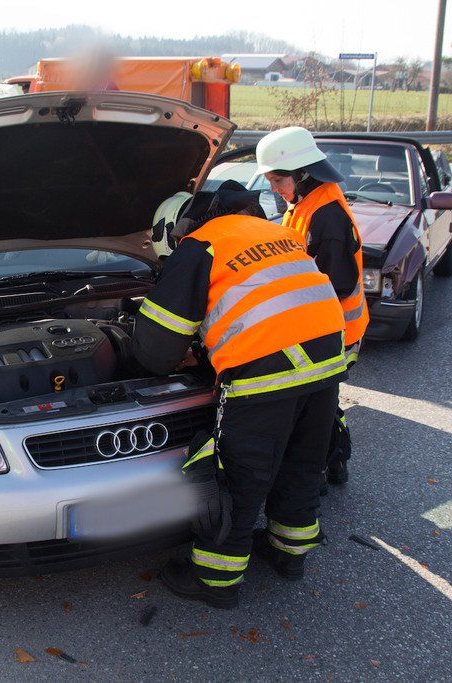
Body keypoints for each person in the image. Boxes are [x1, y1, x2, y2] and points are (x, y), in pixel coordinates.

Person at [132, 183, 348, 609]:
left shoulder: (198, 247)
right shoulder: (271, 232)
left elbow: (156, 352)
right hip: (325, 361)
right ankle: (289, 555)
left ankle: (216, 579)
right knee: (301, 463)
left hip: (267, 372)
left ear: (172, 232)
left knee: (239, 476)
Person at [255, 126, 369, 487]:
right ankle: (326, 462)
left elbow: (337, 285)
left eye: (277, 180)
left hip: (336, 331)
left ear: (302, 173)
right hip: (323, 329)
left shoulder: (327, 217)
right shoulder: (307, 204)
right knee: (320, 404)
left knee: (320, 407)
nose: (275, 189)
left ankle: (329, 463)